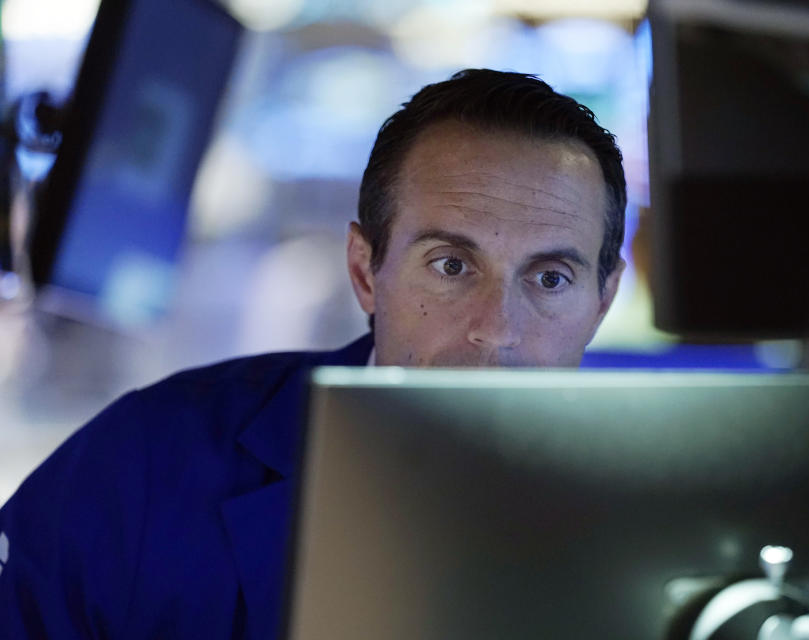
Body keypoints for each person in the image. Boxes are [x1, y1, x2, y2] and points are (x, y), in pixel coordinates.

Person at [0, 69, 626, 638]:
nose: (497, 330)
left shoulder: (676, 516)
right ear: (364, 272)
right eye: (452, 265)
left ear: (603, 299)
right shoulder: (145, 464)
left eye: (550, 279)